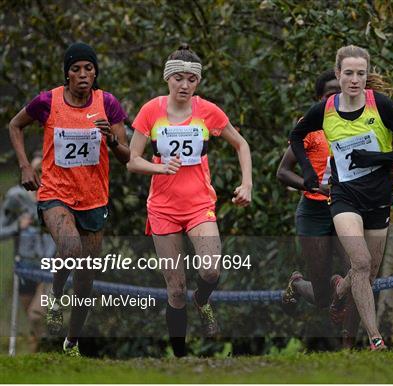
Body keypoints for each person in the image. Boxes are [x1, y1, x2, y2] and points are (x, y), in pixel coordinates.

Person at [289, 45, 393, 350]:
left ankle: (339, 296)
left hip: (379, 198)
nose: (354, 79)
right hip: (344, 197)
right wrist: (307, 172)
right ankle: (375, 340)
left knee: (367, 273)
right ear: (338, 74)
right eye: (348, 73)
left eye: (360, 73)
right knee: (360, 262)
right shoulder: (325, 110)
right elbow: (296, 136)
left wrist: (375, 157)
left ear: (366, 75)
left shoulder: (382, 106)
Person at [127, 43, 252, 357]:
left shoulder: (208, 111)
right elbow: (132, 160)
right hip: (163, 210)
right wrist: (159, 166)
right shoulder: (150, 111)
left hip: (199, 206)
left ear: (198, 82)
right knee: (176, 289)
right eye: (178, 78)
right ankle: (180, 358)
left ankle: (203, 300)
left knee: (210, 271)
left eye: (191, 80)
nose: (184, 85)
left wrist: (246, 183)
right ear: (167, 79)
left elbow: (241, 144)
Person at [8, 42, 130, 356]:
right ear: (67, 74)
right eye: (76, 69)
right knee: (70, 247)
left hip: (93, 199)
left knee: (87, 280)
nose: (83, 74)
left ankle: (72, 342)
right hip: (55, 194)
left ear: (95, 73)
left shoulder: (108, 104)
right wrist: (24, 165)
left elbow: (126, 155)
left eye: (88, 68)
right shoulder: (47, 101)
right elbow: (15, 125)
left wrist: (112, 139)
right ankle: (56, 294)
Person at [277, 69, 360, 348]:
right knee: (323, 297)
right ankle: (298, 284)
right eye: (329, 93)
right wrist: (314, 186)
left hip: (346, 209)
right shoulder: (310, 127)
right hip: (313, 213)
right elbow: (282, 173)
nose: (337, 96)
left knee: (359, 276)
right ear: (318, 99)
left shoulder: (359, 124)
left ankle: (350, 349)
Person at [1, 154, 56, 353]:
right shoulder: (17, 197)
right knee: (34, 322)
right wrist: (18, 226)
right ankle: (43, 355)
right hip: (25, 268)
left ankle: (47, 353)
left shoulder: (57, 198)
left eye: (44, 170)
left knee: (36, 315)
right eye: (36, 170)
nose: (40, 175)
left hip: (48, 269)